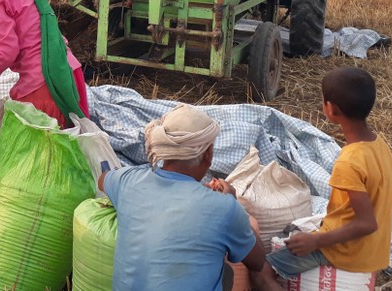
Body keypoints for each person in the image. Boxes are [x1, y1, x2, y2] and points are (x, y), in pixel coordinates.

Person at [98, 104, 282, 291]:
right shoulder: (223, 208)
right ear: (208, 154)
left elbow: (103, 179)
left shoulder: (128, 181)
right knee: (227, 272)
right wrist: (232, 202)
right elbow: (257, 262)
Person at [266, 67, 392, 279]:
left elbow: (366, 223)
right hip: (375, 250)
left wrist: (316, 241)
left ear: (331, 109)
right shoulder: (379, 145)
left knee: (261, 270)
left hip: (348, 252)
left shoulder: (349, 162)